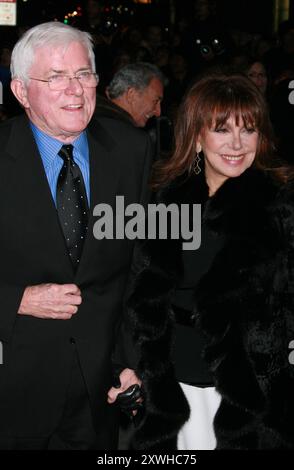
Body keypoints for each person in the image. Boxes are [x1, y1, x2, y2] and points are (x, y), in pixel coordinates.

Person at [108, 74, 294, 449]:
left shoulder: (281, 209)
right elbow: (135, 295)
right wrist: (125, 367)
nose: (237, 144)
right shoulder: (164, 203)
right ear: (196, 136)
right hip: (172, 386)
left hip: (251, 390)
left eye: (249, 130)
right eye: (222, 130)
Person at [0, 21, 151, 450]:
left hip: (97, 391)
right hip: (11, 385)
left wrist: (129, 361)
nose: (75, 89)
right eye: (56, 77)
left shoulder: (131, 151)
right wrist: (18, 300)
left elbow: (137, 270)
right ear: (21, 92)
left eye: (83, 74)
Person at [103, 62, 164, 128]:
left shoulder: (95, 119)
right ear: (131, 95)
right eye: (156, 101)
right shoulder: (131, 136)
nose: (158, 112)